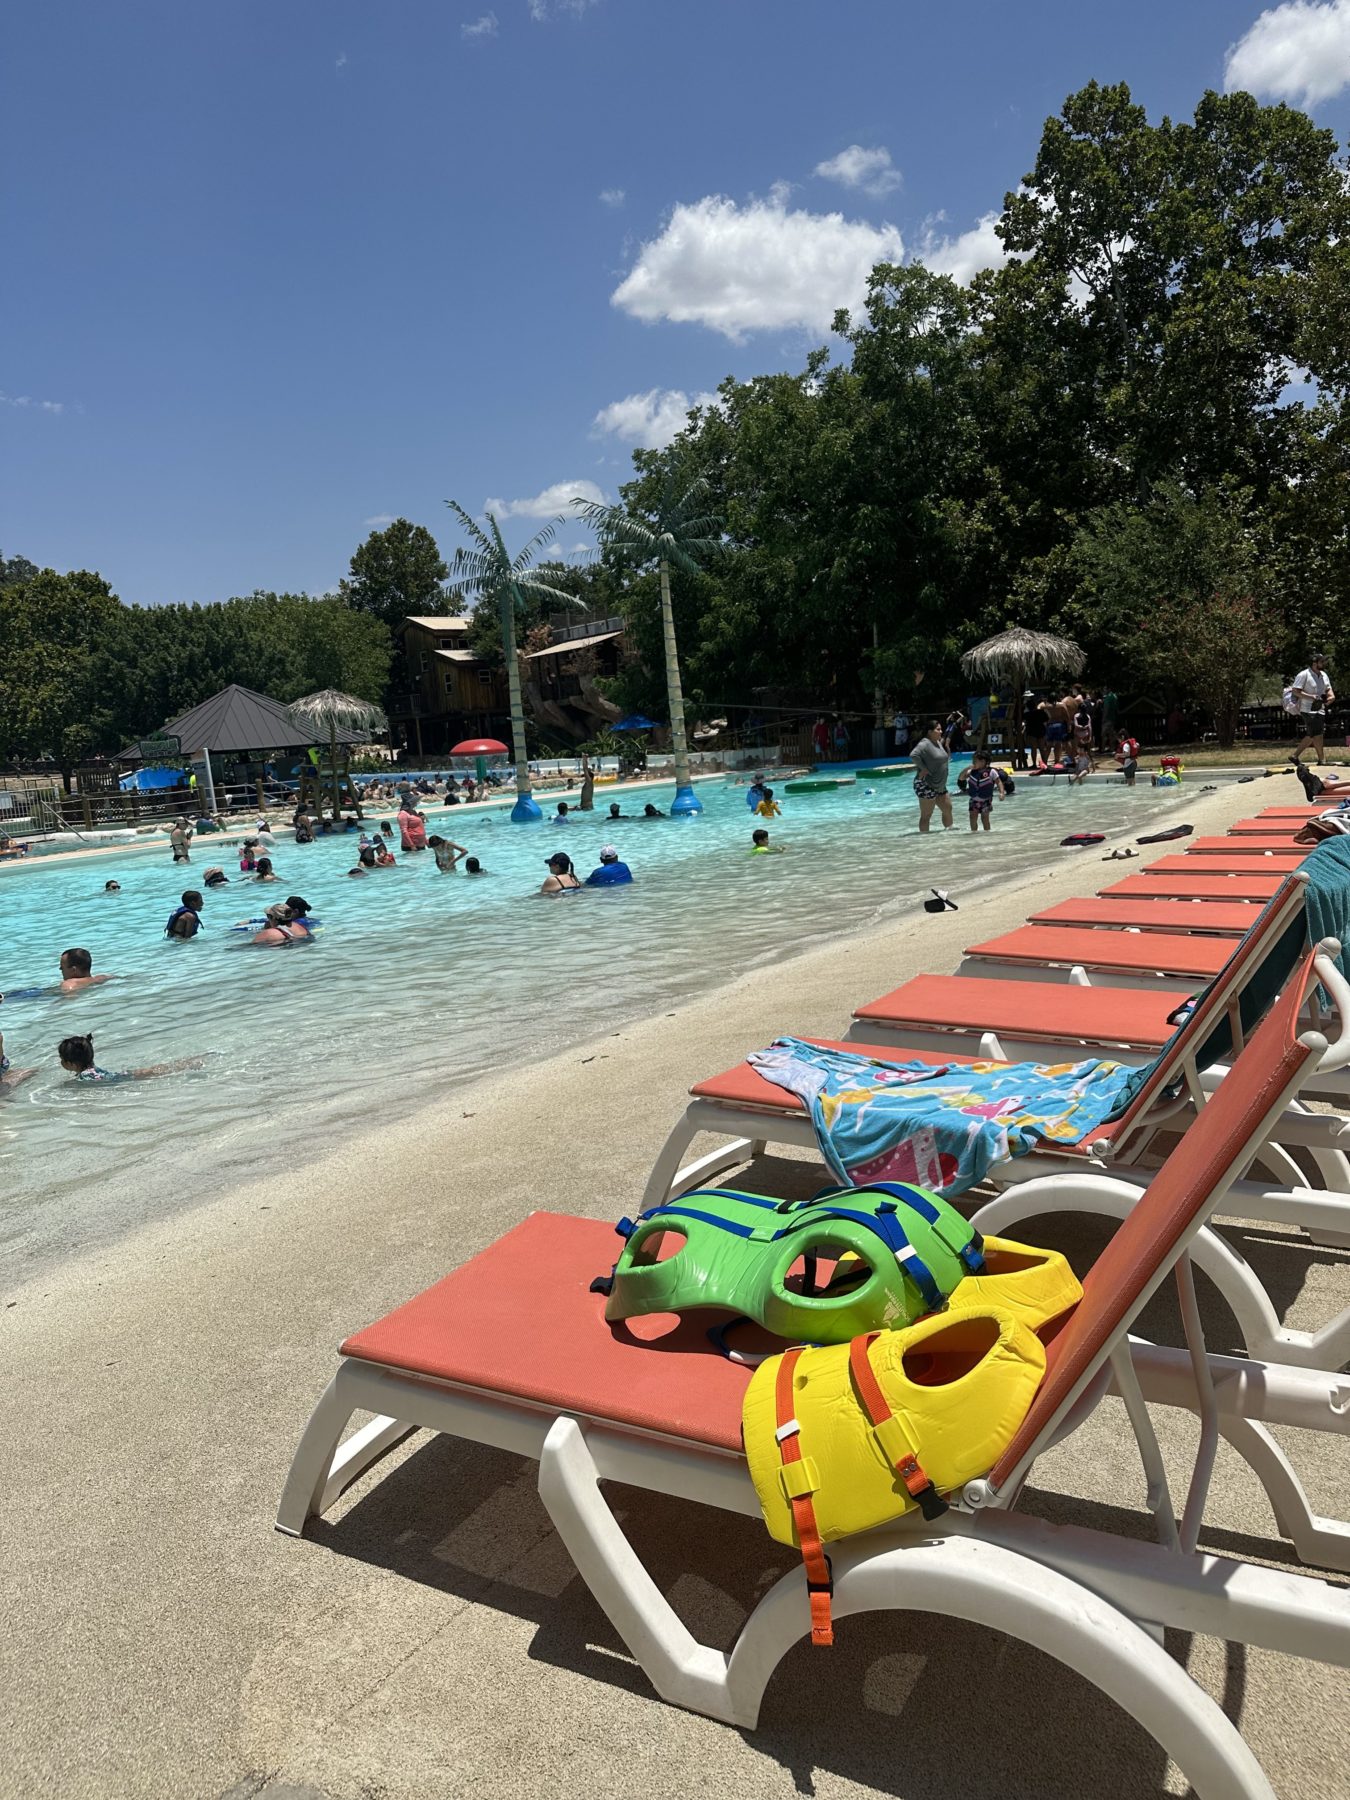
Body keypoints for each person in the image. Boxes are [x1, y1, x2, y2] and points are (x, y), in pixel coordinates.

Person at [58, 1033, 203, 1082]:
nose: (61, 1062)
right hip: (117, 1076)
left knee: (153, 1073)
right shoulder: (91, 1068)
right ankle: (187, 1063)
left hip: (117, 1079)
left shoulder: (84, 1077)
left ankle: (188, 1064)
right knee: (152, 1071)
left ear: (70, 1064)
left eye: (62, 1059)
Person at [1291, 653, 1335, 765]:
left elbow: (1328, 689)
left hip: (1319, 708)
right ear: (1315, 663)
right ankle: (1321, 760)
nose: (1324, 663)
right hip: (1307, 709)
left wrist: (1331, 697)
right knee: (1316, 734)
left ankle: (1295, 756)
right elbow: (1295, 691)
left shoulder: (1324, 675)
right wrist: (1311, 697)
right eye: (1322, 661)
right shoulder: (1303, 675)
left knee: (1314, 734)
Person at [911, 722, 953, 832]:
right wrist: (923, 768)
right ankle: (925, 841)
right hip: (926, 784)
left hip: (940, 785)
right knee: (927, 815)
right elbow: (913, 755)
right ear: (930, 732)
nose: (941, 731)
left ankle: (950, 835)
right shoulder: (925, 743)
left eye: (941, 729)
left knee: (947, 809)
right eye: (938, 729)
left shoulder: (938, 742)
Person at [961, 752, 1008, 832]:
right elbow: (961, 778)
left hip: (986, 800)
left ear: (983, 762)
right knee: (972, 817)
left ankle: (987, 834)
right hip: (974, 799)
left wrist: (1001, 793)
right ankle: (974, 833)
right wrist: (966, 769)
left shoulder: (991, 771)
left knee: (985, 818)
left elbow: (999, 782)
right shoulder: (971, 771)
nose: (973, 763)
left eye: (975, 761)